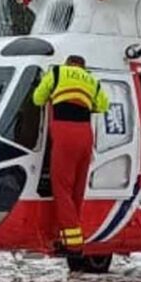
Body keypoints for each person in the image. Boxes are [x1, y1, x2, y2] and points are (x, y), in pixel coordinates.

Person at [32, 54, 109, 253]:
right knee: (77, 187)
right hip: (85, 134)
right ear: (82, 67)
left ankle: (73, 241)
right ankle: (66, 236)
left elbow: (37, 98)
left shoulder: (57, 72)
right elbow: (103, 106)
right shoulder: (92, 80)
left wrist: (54, 96)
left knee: (61, 186)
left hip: (65, 132)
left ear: (68, 64)